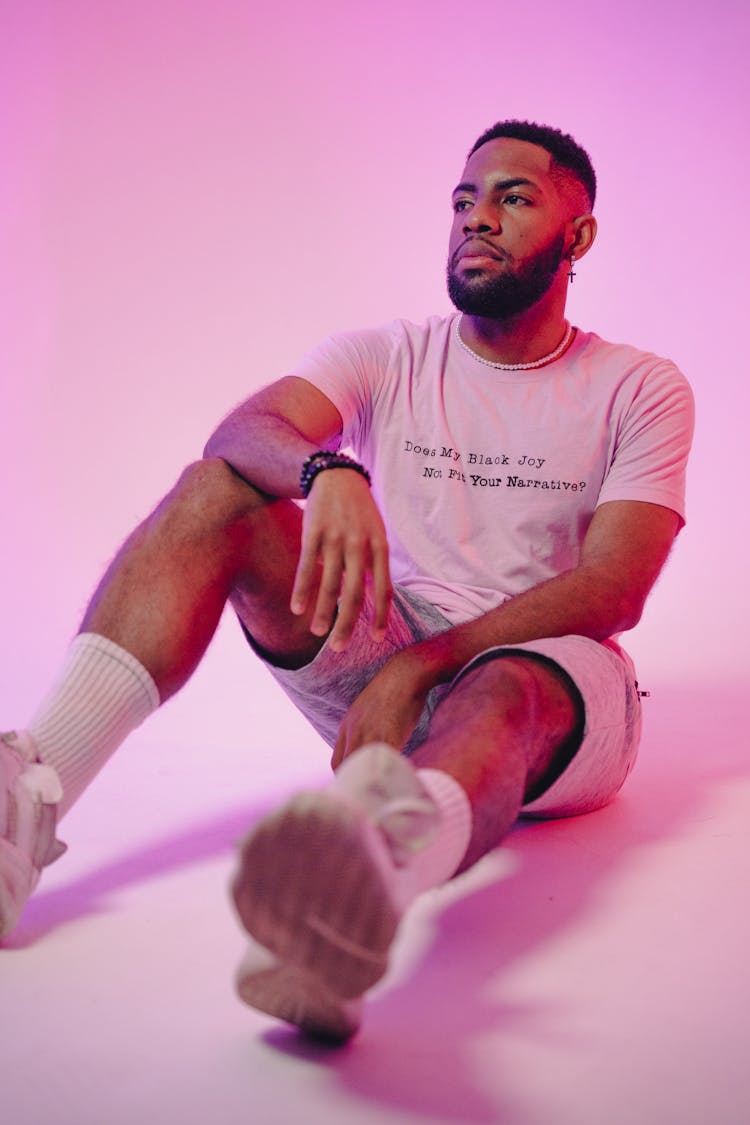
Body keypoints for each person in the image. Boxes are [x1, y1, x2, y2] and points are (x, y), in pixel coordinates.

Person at [0, 120, 693, 1042]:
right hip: (390, 650)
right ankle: (23, 801)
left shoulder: (637, 385)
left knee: (503, 681)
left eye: (513, 197)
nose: (476, 218)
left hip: (557, 682)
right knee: (218, 493)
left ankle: (351, 895)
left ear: (579, 233)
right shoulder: (388, 355)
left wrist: (422, 668)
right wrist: (330, 471)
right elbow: (243, 433)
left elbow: (615, 586)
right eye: (463, 199)